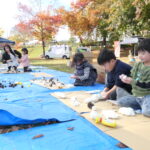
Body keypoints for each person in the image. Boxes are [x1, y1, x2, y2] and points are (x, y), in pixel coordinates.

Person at [118, 38, 150, 117]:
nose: (140, 56)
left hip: (147, 95)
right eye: (139, 53)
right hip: (137, 96)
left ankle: (145, 106)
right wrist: (125, 78)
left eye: (143, 53)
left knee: (147, 112)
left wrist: (132, 81)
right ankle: (143, 106)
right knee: (121, 102)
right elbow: (132, 76)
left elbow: (147, 85)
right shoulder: (138, 65)